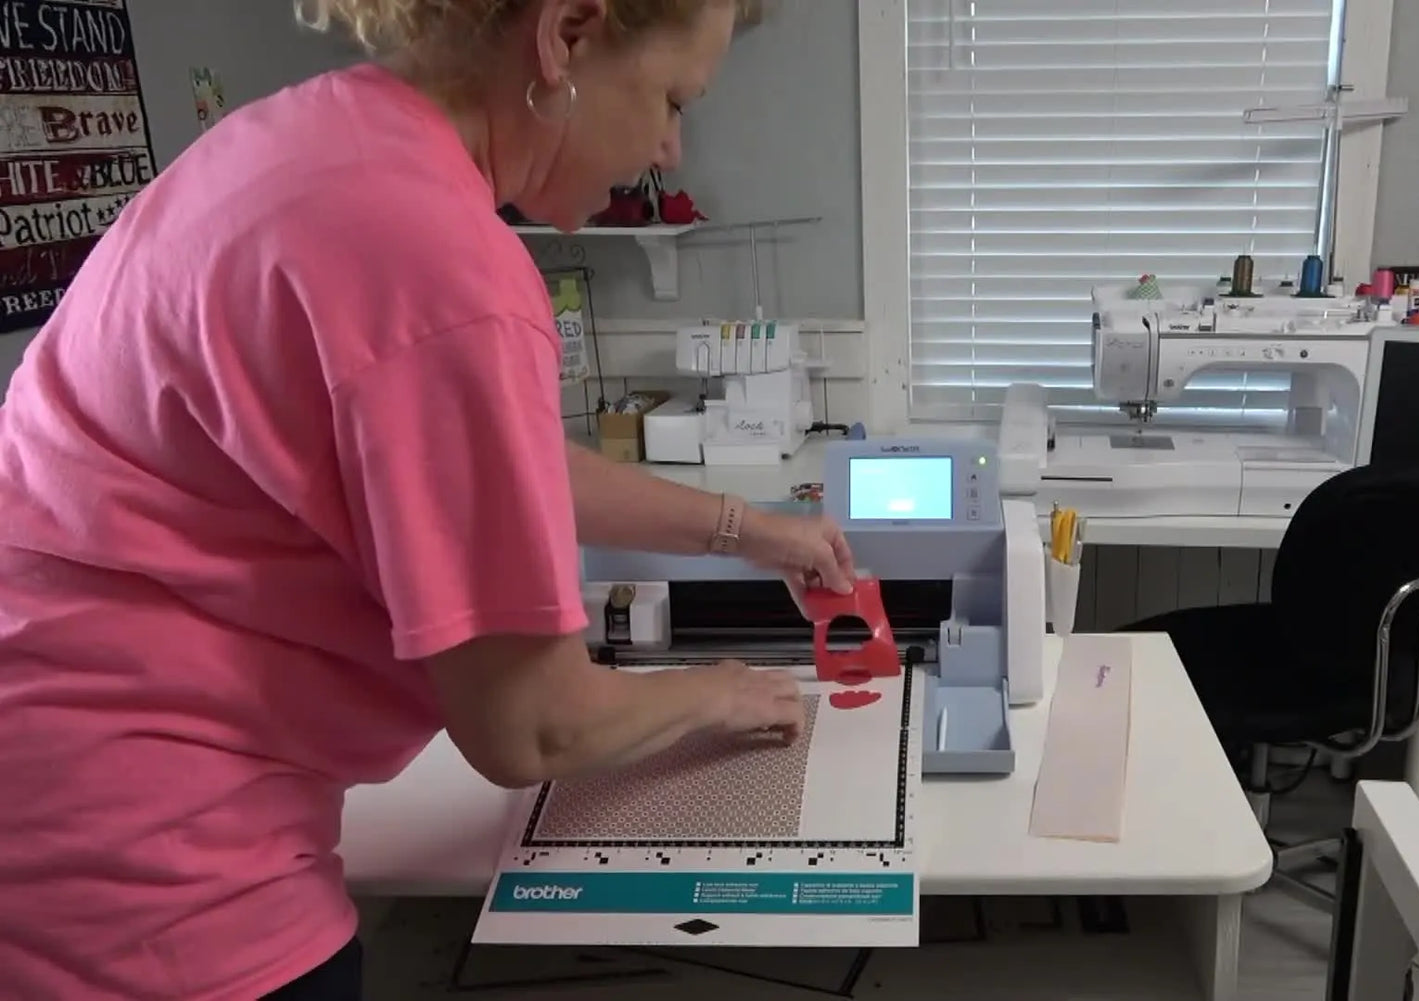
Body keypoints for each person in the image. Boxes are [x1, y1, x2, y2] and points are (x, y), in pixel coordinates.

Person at [0, 1, 853, 998]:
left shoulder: (305, 141)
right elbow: (535, 727)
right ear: (567, 35)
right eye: (673, 99)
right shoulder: (440, 262)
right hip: (139, 865)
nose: (669, 149)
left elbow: (488, 462)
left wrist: (747, 530)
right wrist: (720, 690)